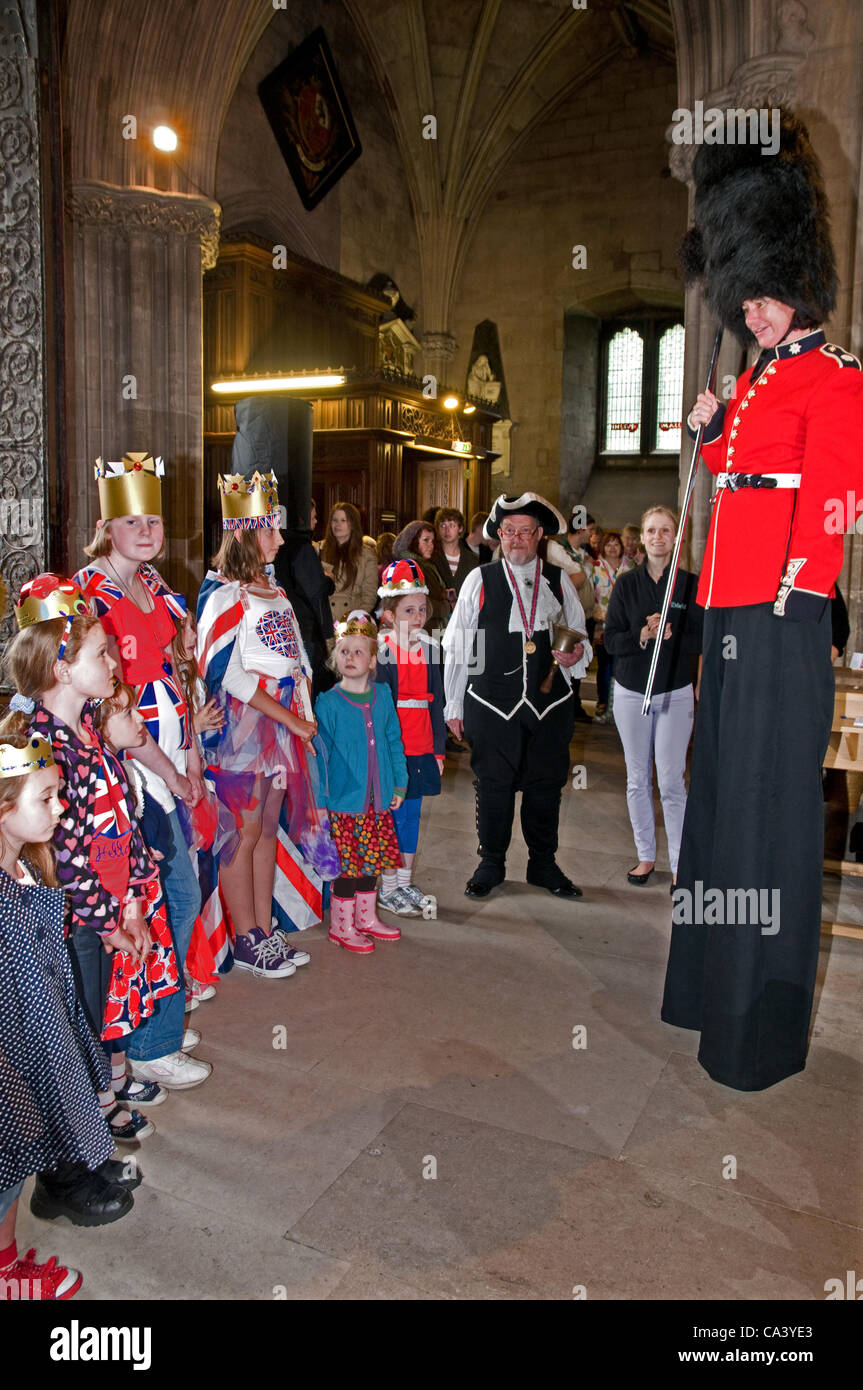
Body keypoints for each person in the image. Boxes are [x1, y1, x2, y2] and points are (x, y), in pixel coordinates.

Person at [663, 109, 863, 1090]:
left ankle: (754, 1027)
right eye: (740, 303)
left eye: (758, 303)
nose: (746, 316)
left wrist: (802, 588)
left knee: (761, 810)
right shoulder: (750, 385)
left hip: (778, 617)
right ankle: (703, 989)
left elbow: (830, 494)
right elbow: (737, 482)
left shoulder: (831, 379)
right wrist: (705, 430)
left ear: (792, 285)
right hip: (727, 608)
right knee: (717, 801)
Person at [5, 576, 182, 1142]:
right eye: (101, 653)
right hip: (75, 920)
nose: (113, 663)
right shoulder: (50, 746)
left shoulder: (88, 729)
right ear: (61, 670)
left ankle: (104, 1091)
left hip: (110, 906)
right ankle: (88, 1117)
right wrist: (109, 922)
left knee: (104, 1007)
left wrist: (133, 885)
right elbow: (64, 852)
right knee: (78, 1018)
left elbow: (117, 813)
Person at [74, 453, 209, 1091]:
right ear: (107, 527)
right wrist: (171, 771)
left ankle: (154, 1020)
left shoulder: (155, 585)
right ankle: (149, 1043)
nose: (148, 530)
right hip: (127, 773)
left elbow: (179, 672)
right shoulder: (89, 594)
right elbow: (114, 708)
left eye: (154, 519)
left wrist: (192, 756)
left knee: (174, 897)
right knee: (168, 901)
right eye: (134, 521)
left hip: (168, 762)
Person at [0, 729, 130, 1293]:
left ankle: (6, 1263)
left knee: (15, 1166)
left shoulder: (26, 868)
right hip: (12, 1058)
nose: (60, 808)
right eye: (45, 798)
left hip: (31, 1047)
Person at [196, 469, 319, 978]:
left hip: (283, 727)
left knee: (268, 829)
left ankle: (266, 929)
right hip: (245, 732)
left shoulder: (275, 590)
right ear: (246, 532)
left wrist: (302, 716)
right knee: (241, 834)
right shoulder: (225, 595)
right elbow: (227, 674)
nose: (281, 538)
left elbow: (297, 660)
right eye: (271, 528)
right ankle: (244, 936)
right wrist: (289, 718)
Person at [443, 492, 592, 900]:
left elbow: (581, 638)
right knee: (493, 784)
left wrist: (576, 653)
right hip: (492, 703)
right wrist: (454, 703)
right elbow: (459, 647)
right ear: (499, 536)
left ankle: (543, 864)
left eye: (525, 532)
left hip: (551, 706)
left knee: (546, 787)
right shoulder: (481, 580)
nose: (516, 540)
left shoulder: (560, 582)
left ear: (539, 535)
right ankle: (490, 861)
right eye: (508, 532)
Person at [603, 507, 702, 886]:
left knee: (672, 779)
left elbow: (704, 636)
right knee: (637, 777)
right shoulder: (627, 585)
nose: (658, 537)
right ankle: (645, 856)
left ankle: (680, 862)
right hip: (631, 692)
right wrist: (641, 636)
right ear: (641, 539)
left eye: (665, 530)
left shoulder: (689, 585)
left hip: (675, 693)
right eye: (651, 531)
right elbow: (611, 640)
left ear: (675, 536)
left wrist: (674, 634)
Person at [314, 613, 407, 953]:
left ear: (372, 660)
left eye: (358, 652)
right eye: (344, 651)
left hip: (377, 800)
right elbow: (320, 756)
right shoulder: (328, 703)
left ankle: (366, 918)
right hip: (343, 803)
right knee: (348, 869)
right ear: (335, 659)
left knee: (372, 862)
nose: (350, 658)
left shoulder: (382, 696)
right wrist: (322, 798)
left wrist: (399, 784)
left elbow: (394, 741)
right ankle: (342, 926)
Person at [374, 559, 445, 916]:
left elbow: (437, 703)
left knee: (412, 816)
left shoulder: (432, 649)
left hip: (421, 745)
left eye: (421, 610)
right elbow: (379, 711)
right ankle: (387, 887)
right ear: (388, 614)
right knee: (391, 817)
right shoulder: (382, 652)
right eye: (408, 610)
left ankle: (405, 880)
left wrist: (439, 750)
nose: (417, 617)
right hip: (393, 750)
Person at [273, 498, 335, 702]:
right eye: (314, 517)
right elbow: (315, 591)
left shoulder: (278, 546)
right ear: (302, 517)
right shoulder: (300, 545)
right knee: (309, 693)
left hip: (283, 629)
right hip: (305, 629)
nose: (316, 522)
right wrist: (328, 582)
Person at [546, 508, 596, 723]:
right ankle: (570, 705)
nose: (591, 534)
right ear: (581, 528)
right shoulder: (558, 548)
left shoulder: (584, 552)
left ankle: (573, 704)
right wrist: (560, 597)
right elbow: (577, 576)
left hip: (584, 614)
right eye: (589, 529)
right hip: (560, 617)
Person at [592, 530, 635, 720]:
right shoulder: (595, 566)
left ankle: (619, 705)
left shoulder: (630, 567)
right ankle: (602, 702)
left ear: (621, 547)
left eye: (616, 544)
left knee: (620, 664)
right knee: (605, 664)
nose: (612, 547)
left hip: (624, 624)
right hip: (601, 624)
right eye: (608, 544)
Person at [318, 501, 379, 625]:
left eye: (343, 520)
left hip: (352, 621)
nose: (337, 525)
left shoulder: (366, 555)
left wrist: (355, 620)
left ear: (352, 524)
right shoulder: (319, 549)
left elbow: (369, 595)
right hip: (324, 620)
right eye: (334, 520)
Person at [392, 520, 450, 631]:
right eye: (426, 540)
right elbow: (418, 604)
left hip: (430, 628)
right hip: (421, 630)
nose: (431, 546)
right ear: (413, 542)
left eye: (432, 541)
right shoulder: (409, 567)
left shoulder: (425, 564)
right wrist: (447, 606)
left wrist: (443, 594)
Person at [432, 507, 479, 606]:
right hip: (438, 616)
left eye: (452, 525)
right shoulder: (431, 557)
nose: (447, 530)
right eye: (442, 525)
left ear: (460, 528)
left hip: (464, 615)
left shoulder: (473, 559)